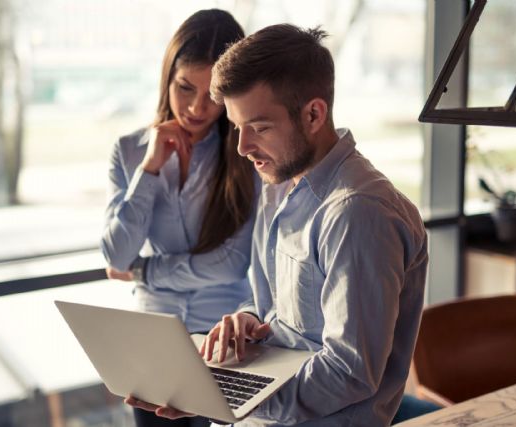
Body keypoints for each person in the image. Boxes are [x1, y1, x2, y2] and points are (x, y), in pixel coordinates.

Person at [130, 24, 429, 426]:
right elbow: (277, 310)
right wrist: (250, 320)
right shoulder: (277, 188)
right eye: (237, 127)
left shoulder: (358, 213)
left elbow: (349, 373)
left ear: (313, 114)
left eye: (259, 127)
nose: (242, 147)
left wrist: (227, 398)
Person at [101, 10, 255, 427]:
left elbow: (232, 264)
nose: (196, 107)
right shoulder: (130, 150)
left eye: (213, 95)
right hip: (150, 342)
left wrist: (144, 271)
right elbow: (117, 254)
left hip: (221, 341)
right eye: (185, 87)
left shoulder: (247, 155)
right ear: (167, 77)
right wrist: (149, 169)